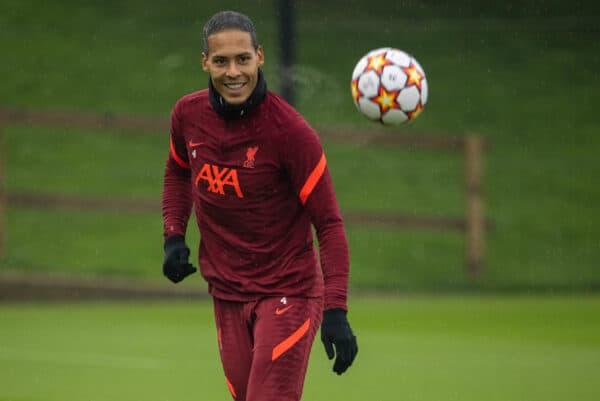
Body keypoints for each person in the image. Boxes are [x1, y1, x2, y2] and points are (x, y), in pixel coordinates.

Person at [161, 10, 358, 401]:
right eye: (221, 61)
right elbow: (178, 171)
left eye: (243, 59)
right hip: (226, 292)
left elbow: (330, 224)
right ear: (205, 62)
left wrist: (336, 309)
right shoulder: (187, 114)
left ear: (260, 57)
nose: (234, 72)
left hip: (289, 292)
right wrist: (173, 235)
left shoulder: (291, 133)